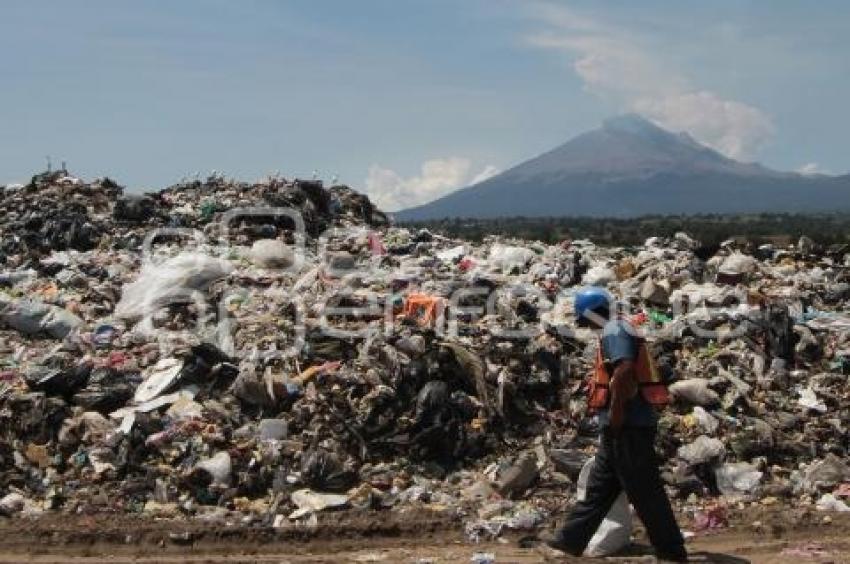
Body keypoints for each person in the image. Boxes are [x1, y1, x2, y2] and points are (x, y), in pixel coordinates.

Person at [545, 286, 687, 561]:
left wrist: (617, 411)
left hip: (628, 425)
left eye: (582, 318)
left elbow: (623, 370)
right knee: (600, 489)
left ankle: (671, 551)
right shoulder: (618, 326)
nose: (583, 325)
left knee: (645, 490)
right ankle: (567, 542)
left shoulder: (615, 329)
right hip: (621, 426)